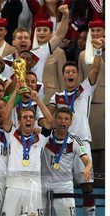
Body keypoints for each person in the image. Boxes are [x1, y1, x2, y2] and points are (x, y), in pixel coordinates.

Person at [48, 37, 104, 216]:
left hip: (81, 141)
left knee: (86, 184)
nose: (71, 74)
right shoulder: (56, 97)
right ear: (63, 76)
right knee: (58, 184)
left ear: (78, 76)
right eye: (67, 72)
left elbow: (95, 68)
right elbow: (47, 118)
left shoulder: (85, 89)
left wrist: (98, 51)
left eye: (74, 72)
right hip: (60, 144)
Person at [1, 82, 53, 215]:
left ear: (34, 121)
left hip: (33, 188)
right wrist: (15, 92)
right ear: (19, 121)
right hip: (13, 187)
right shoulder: (12, 135)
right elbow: (5, 116)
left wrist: (37, 100)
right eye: (25, 117)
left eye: (31, 117)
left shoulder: (40, 138)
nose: (28, 119)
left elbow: (50, 121)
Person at [41, 107, 92, 216]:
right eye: (59, 118)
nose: (63, 121)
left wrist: (87, 168)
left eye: (66, 119)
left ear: (70, 122)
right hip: (44, 186)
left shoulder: (74, 139)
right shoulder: (45, 136)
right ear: (55, 121)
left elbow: (88, 161)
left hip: (64, 188)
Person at [78, 19, 105, 178]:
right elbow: (80, 79)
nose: (95, 33)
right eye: (93, 30)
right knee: (91, 143)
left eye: (99, 30)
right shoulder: (83, 55)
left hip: (104, 101)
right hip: (89, 103)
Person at [32, 20, 67, 104]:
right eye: (39, 30)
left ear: (51, 33)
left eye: (45, 30)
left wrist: (63, 99)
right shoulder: (31, 53)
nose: (41, 33)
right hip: (34, 94)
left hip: (51, 94)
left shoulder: (59, 53)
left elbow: (62, 78)